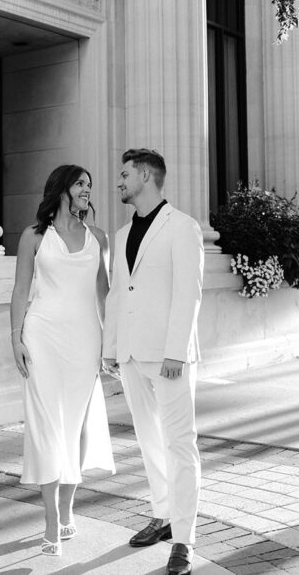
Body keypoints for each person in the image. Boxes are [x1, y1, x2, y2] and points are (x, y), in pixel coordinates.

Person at [102, 149, 204, 575]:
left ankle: (183, 539)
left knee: (179, 445)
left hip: (168, 357)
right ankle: (162, 515)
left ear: (145, 175)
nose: (119, 181)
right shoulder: (122, 233)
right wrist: (111, 347)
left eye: (125, 174)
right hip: (130, 354)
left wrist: (176, 352)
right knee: (148, 440)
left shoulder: (183, 227)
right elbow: (117, 291)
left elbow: (188, 292)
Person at [9, 164, 116, 557]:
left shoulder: (99, 238)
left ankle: (68, 506)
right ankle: (52, 518)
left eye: (90, 184)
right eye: (80, 183)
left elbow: (104, 296)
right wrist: (15, 337)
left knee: (78, 427)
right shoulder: (34, 236)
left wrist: (111, 344)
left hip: (85, 340)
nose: (88, 189)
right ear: (61, 189)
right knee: (46, 426)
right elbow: (20, 289)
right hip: (42, 338)